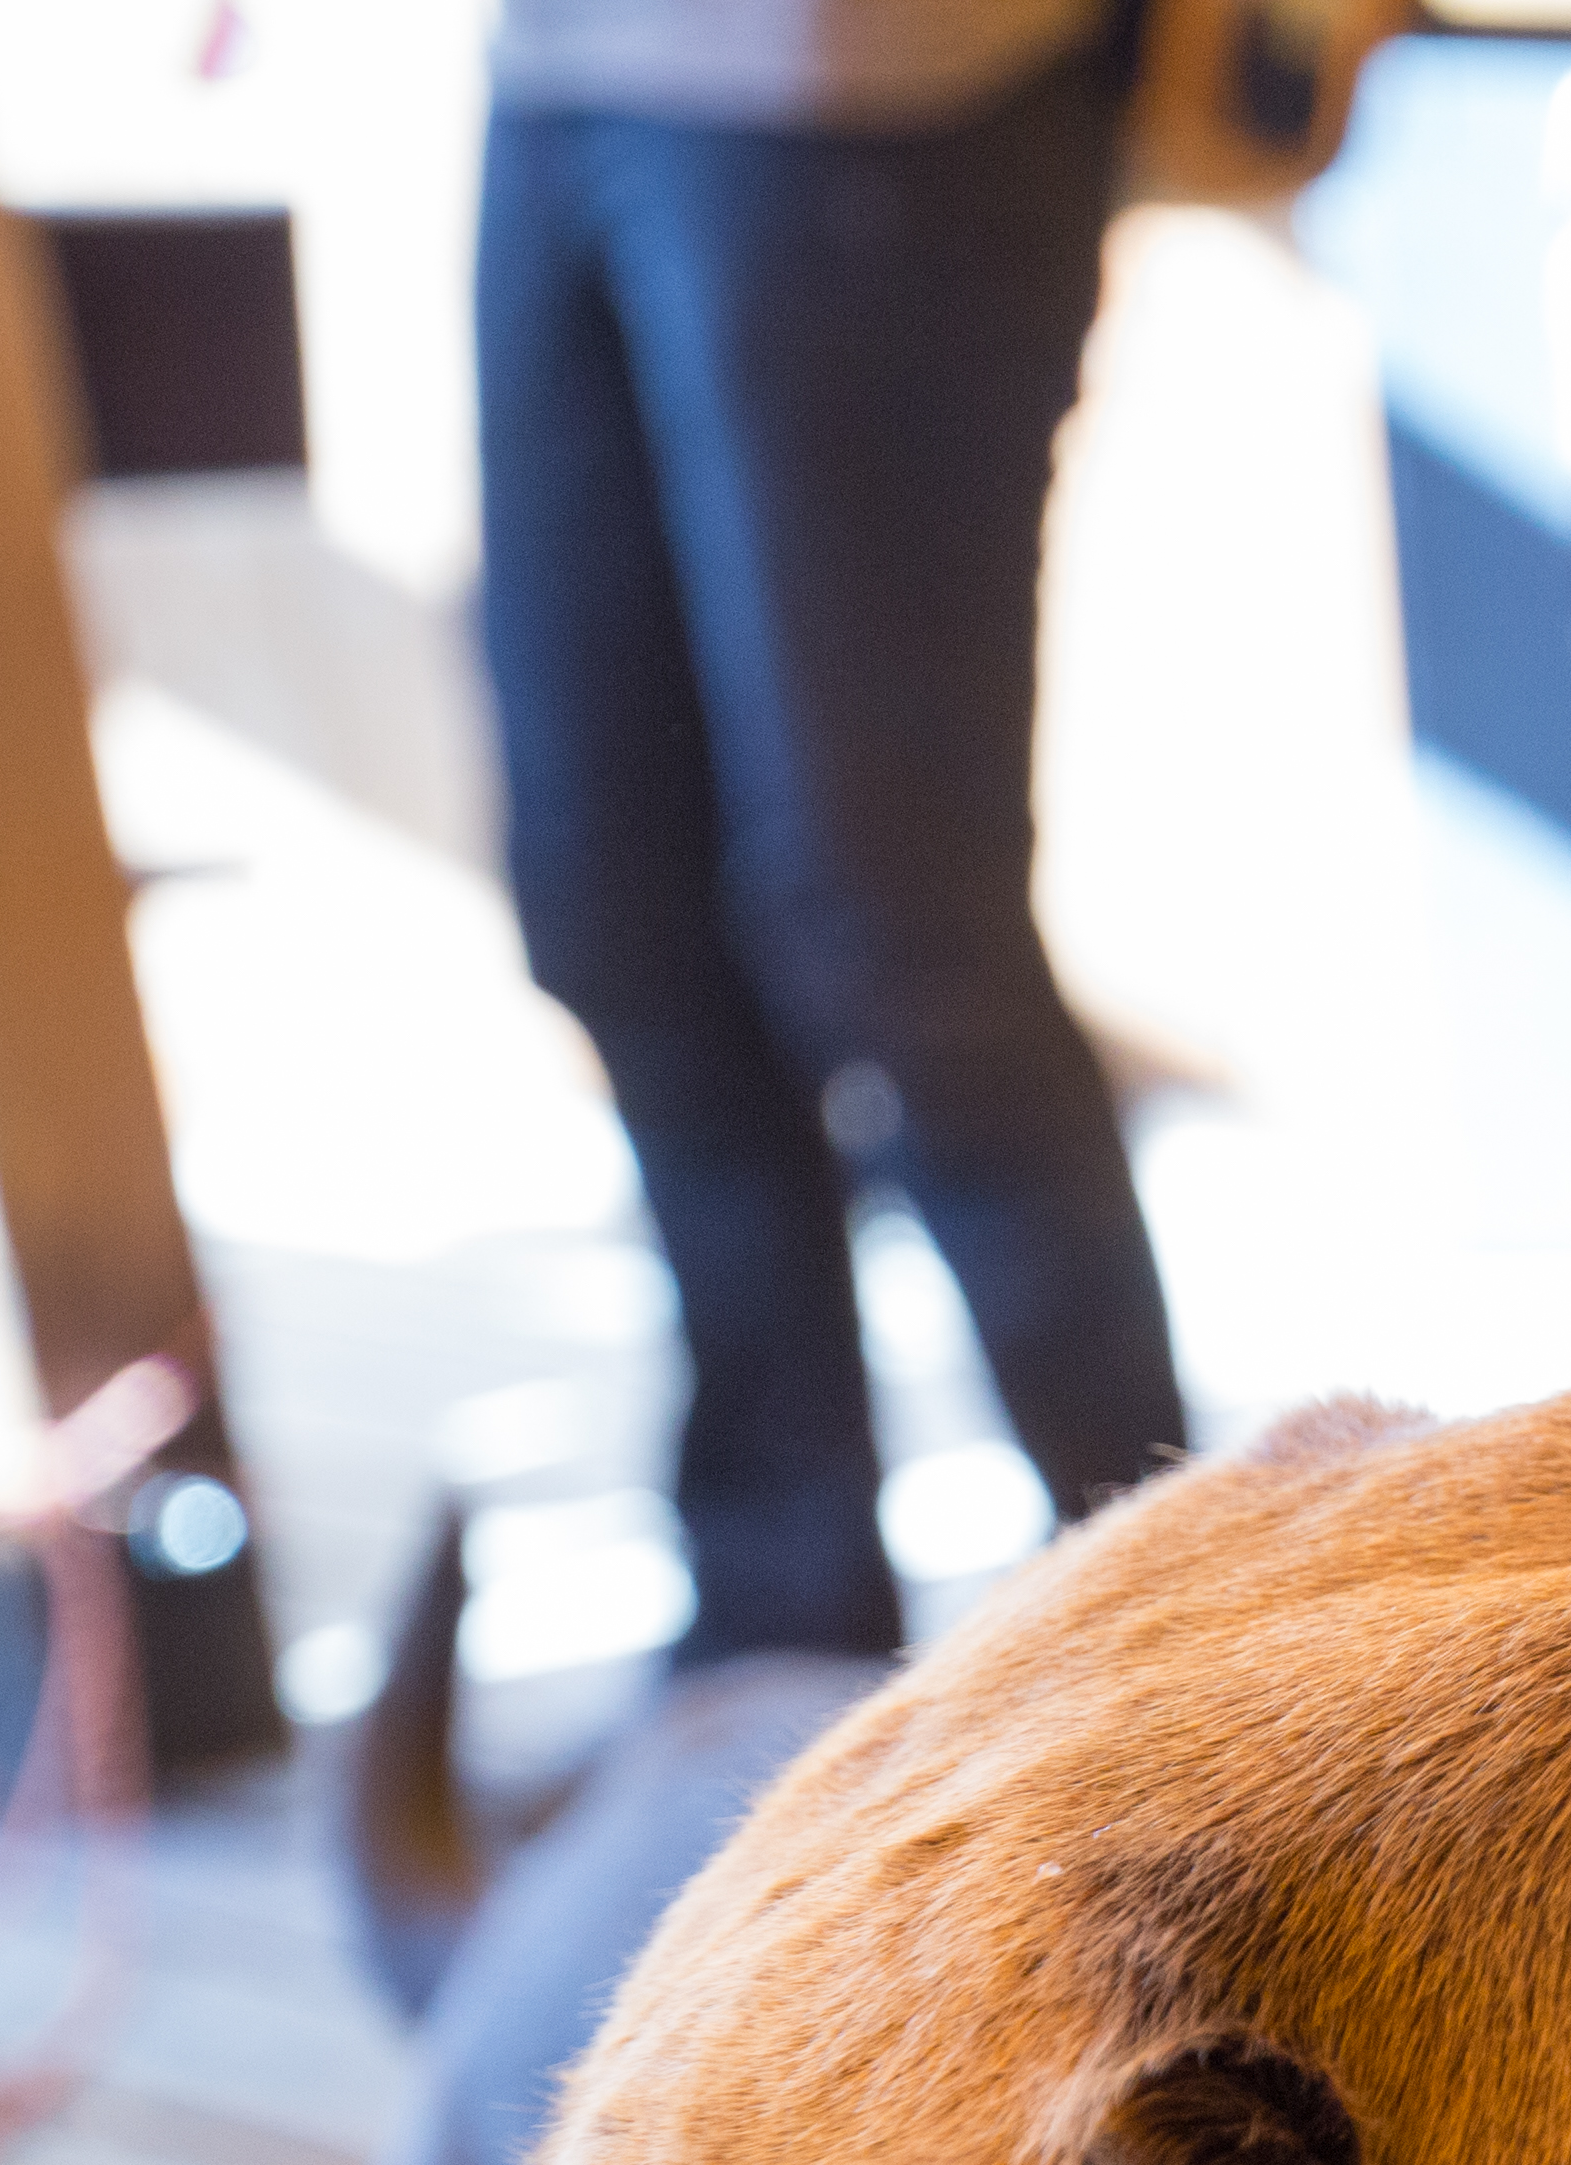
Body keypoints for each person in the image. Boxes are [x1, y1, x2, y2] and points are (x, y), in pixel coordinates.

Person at [474, 0, 1189, 1664]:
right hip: (568, 74)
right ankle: (779, 1626)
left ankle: (1178, 1630)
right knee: (611, 901)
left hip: (890, 87)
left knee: (897, 929)